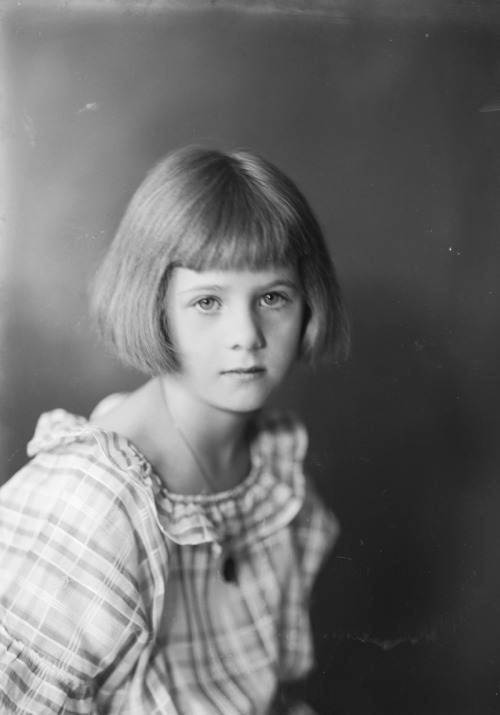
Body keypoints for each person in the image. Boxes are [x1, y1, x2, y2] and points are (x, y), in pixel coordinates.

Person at [0, 146, 349, 714]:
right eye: (208, 301)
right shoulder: (97, 505)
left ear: (308, 303)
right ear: (155, 305)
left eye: (273, 297)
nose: (247, 335)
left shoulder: (270, 462)